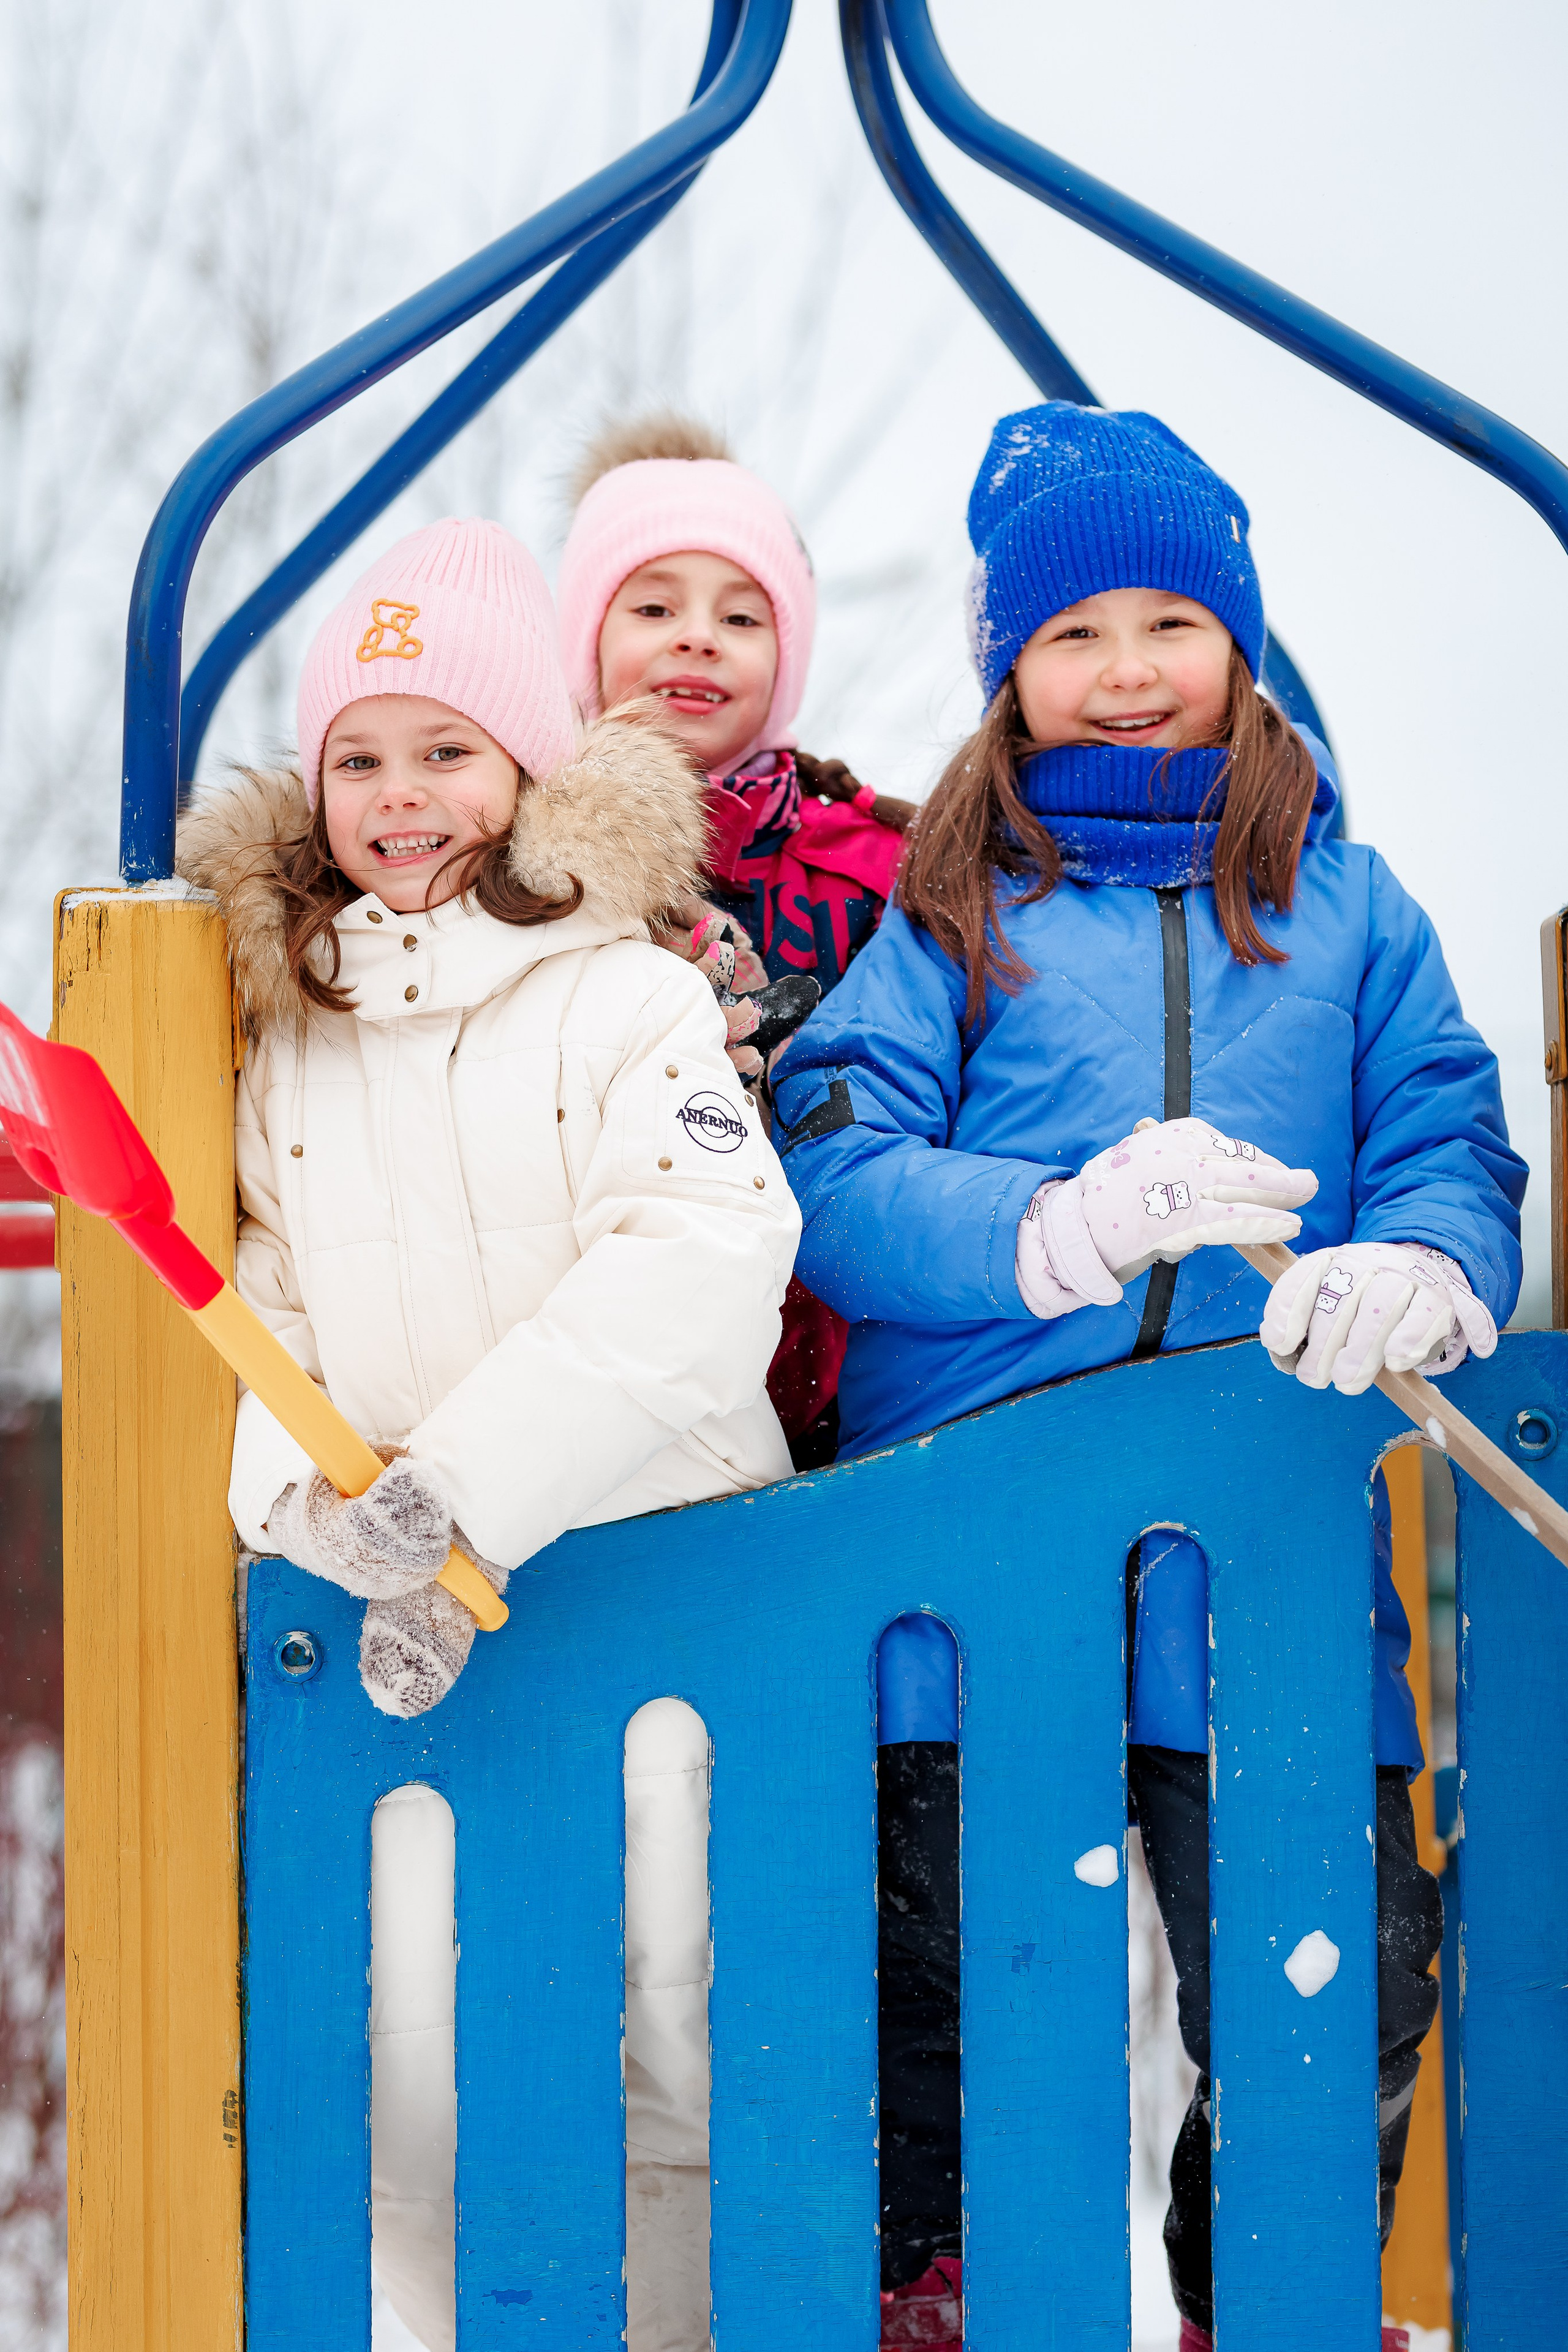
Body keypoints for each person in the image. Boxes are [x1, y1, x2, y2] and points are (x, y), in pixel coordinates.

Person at [771, 403, 1526, 2352]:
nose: (1125, 672)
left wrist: (1429, 1256)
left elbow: (1448, 1131)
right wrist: (1050, 1224)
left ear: (1240, 645)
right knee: (951, 1991)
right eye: (1072, 634)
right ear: (1010, 675)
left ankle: (1253, 2303)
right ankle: (927, 2299)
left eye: (1168, 624)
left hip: (1257, 1559)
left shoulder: (1350, 914)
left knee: (1345, 1986)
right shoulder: (951, 916)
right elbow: (832, 1166)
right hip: (976, 1571)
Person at [178, 515, 799, 2352]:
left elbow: (708, 1247)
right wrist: (308, 1500)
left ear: (529, 766)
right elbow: (261, 1301)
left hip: (651, 1586)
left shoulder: (628, 993)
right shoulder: (296, 1034)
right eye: (359, 758)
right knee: (419, 2037)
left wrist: (470, 1491)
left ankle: (687, 2331)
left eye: (447, 748)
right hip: (407, 1624)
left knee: (672, 2014)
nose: (402, 795)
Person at [557, 413, 913, 1468]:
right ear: (588, 640)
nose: (697, 636)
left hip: (838, 1345)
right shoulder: (528, 858)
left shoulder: (874, 862)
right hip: (614, 1333)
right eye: (655, 605)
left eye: (741, 616)